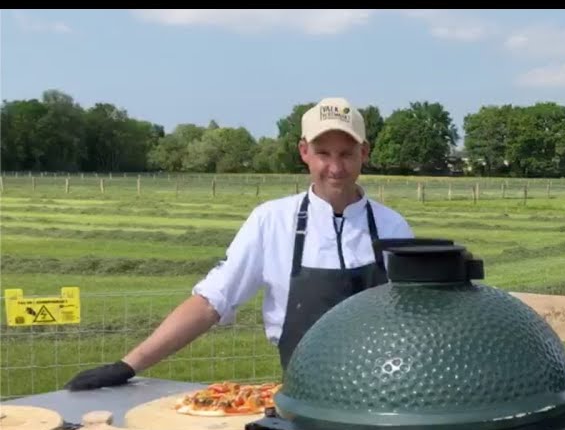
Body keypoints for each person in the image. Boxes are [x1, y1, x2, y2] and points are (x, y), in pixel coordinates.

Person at [65, 97, 415, 390]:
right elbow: (212, 302)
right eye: (324, 153)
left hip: (382, 391)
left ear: (364, 152)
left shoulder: (392, 226)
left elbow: (417, 315)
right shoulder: (271, 221)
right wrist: (129, 365)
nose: (335, 167)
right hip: (303, 391)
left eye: (347, 153)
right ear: (304, 152)